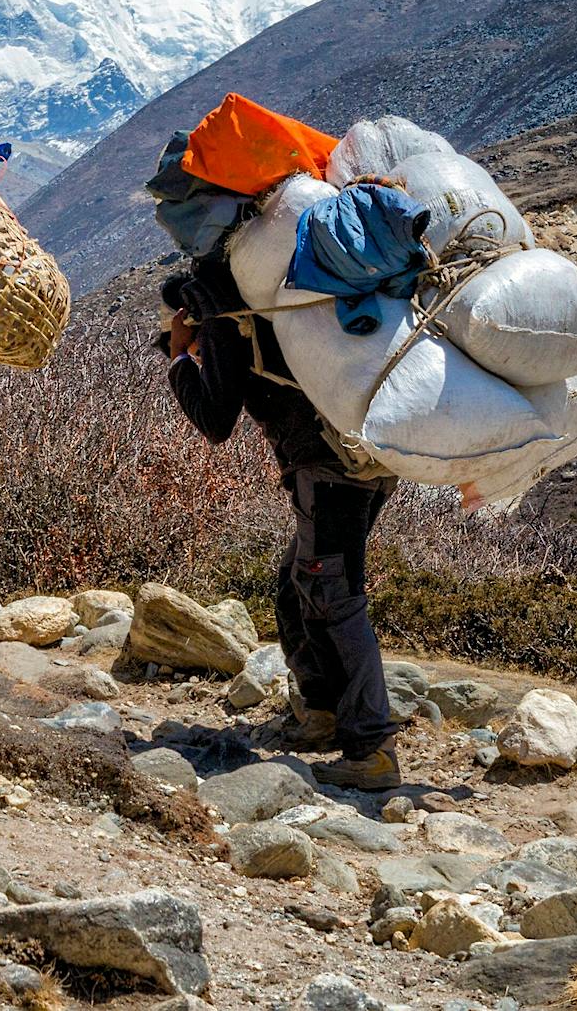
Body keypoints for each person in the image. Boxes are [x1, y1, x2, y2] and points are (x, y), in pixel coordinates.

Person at [163, 251, 401, 792]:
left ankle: (372, 748)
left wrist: (181, 362)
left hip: (327, 469)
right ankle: (319, 713)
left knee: (332, 594)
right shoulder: (276, 300)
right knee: (298, 586)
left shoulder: (226, 316)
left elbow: (215, 419)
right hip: (369, 460)